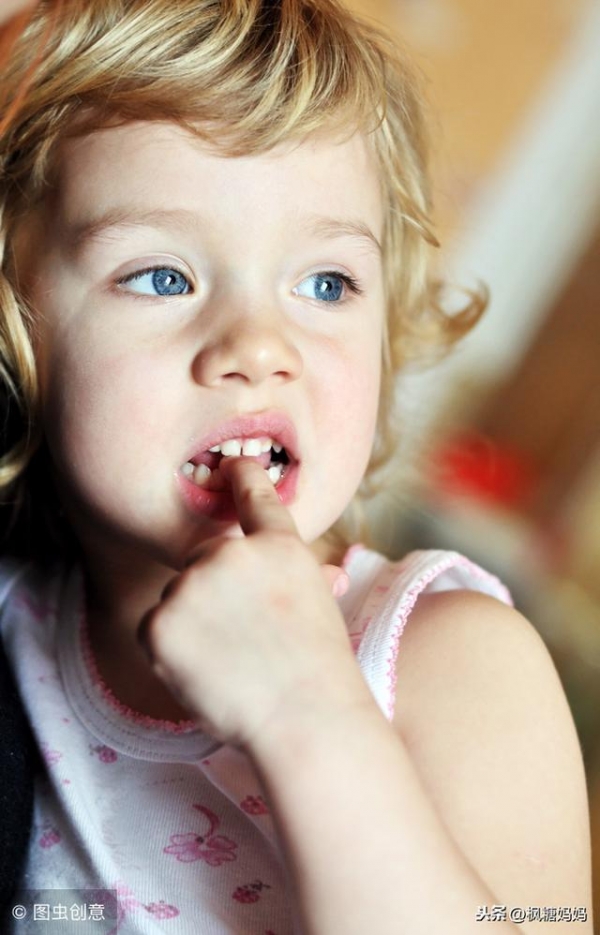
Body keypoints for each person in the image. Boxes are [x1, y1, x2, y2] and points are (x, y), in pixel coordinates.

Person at [0, 1, 592, 932]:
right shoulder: (18, 618)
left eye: (326, 283)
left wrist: (305, 708)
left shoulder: (451, 656)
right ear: (19, 331)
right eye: (162, 276)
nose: (259, 347)